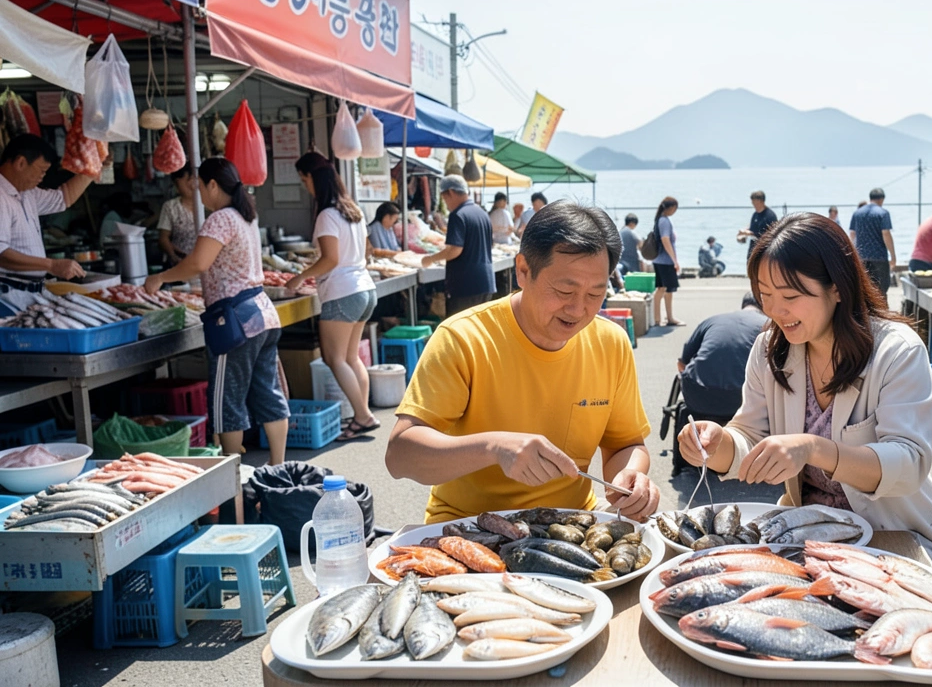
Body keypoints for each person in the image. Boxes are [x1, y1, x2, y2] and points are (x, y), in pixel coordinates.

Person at [678, 213, 932, 577]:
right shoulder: (770, 350)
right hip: (805, 541)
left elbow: (909, 463)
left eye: (791, 296)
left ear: (837, 287)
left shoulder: (896, 351)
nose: (776, 311)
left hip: (895, 542)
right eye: (765, 295)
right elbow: (750, 437)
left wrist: (813, 448)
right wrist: (718, 445)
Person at [387, 201, 661, 522]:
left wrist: (630, 479)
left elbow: (625, 443)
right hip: (469, 522)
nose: (577, 310)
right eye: (563, 290)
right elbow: (401, 455)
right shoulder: (463, 338)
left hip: (572, 519)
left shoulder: (611, 342)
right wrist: (492, 447)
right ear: (523, 271)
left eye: (594, 294)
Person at [145, 159, 289, 464]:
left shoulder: (220, 218)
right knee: (267, 393)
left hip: (235, 322)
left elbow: (198, 262)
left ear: (212, 184)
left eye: (200, 186)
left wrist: (161, 277)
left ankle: (233, 472)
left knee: (227, 400)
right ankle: (278, 465)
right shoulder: (245, 215)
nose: (199, 194)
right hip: (262, 313)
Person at [286, 154, 380, 441]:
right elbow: (365, 252)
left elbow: (329, 259)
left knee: (335, 358)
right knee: (351, 358)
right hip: (364, 289)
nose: (306, 187)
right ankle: (363, 415)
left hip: (342, 292)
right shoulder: (354, 210)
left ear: (314, 178)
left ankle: (362, 416)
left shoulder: (327, 215)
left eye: (305, 180)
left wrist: (300, 276)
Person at [673, 292, 769, 475]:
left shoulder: (713, 320)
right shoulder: (769, 326)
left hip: (698, 395)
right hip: (743, 400)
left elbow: (681, 364)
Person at [0, 135, 93, 310]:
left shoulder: (28, 193)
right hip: (7, 296)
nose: (43, 177)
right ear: (20, 163)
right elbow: (1, 254)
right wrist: (51, 265)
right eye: (42, 170)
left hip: (29, 294)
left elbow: (63, 198)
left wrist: (93, 169)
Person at [421, 176, 497, 317]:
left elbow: (455, 250)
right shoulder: (482, 213)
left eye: (445, 199)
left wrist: (431, 258)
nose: (447, 204)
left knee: (461, 333)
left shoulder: (457, 215)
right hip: (486, 283)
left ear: (450, 192)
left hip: (466, 286)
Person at [849, 188, 896, 300]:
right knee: (881, 290)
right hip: (879, 257)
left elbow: (852, 234)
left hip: (862, 257)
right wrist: (893, 255)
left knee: (864, 290)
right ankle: (882, 314)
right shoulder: (883, 213)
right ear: (882, 199)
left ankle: (866, 315)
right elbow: (886, 234)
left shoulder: (857, 213)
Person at [652, 196, 684, 326]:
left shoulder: (659, 219)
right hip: (665, 261)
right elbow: (665, 240)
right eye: (674, 209)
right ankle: (664, 318)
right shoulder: (664, 221)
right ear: (671, 208)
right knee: (665, 289)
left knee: (663, 289)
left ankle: (659, 318)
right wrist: (674, 260)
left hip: (659, 260)